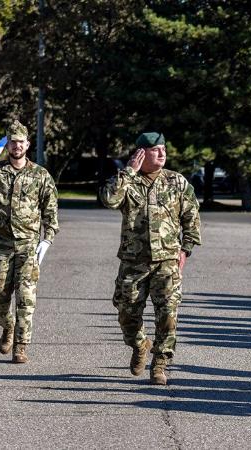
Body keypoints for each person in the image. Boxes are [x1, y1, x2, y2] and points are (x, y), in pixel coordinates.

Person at [100, 132, 202, 385]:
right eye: (155, 150)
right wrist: (128, 172)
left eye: (163, 149)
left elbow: (191, 217)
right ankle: (139, 345)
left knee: (168, 314)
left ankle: (160, 364)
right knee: (126, 313)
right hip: (134, 262)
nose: (162, 153)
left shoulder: (176, 182)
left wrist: (185, 248)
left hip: (167, 261)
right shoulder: (128, 182)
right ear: (141, 154)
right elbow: (109, 200)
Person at [0, 120, 59, 364]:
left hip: (28, 246)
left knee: (26, 297)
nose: (17, 146)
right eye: (12, 142)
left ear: (27, 145)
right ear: (7, 144)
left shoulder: (40, 175)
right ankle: (7, 326)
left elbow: (51, 213)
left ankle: (21, 345)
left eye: (21, 142)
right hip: (2, 245)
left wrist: (47, 240)